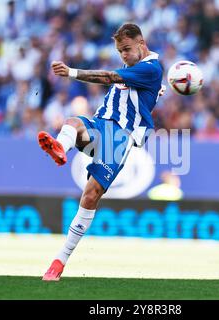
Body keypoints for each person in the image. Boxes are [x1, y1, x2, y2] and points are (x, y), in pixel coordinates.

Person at [37, 23, 164, 281]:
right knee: (72, 122)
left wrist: (71, 72)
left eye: (127, 49)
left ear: (141, 43)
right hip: (101, 124)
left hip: (120, 137)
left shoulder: (151, 68)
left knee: (90, 195)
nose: (124, 55)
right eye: (120, 51)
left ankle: (59, 261)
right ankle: (61, 147)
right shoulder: (136, 68)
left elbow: (108, 77)